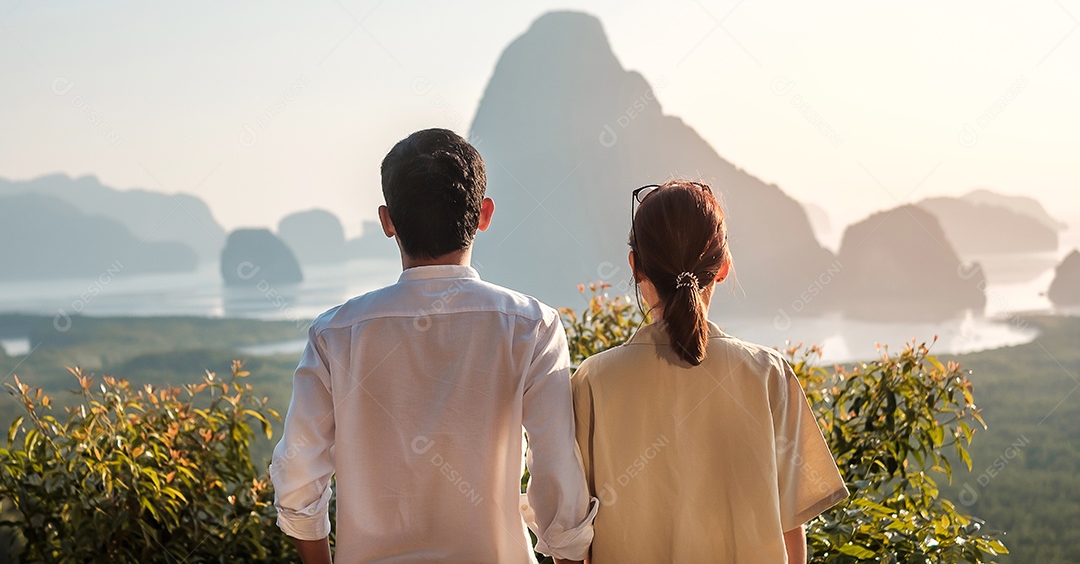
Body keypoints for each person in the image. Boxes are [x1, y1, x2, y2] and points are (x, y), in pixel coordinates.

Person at [270, 128, 597, 564]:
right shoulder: (531, 327)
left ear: (387, 221)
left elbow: (297, 478)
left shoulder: (335, 334)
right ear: (484, 214)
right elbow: (557, 476)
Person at [571, 180, 848, 563]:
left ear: (636, 268)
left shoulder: (592, 382)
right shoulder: (769, 375)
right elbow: (790, 535)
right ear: (722, 267)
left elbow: (569, 535)